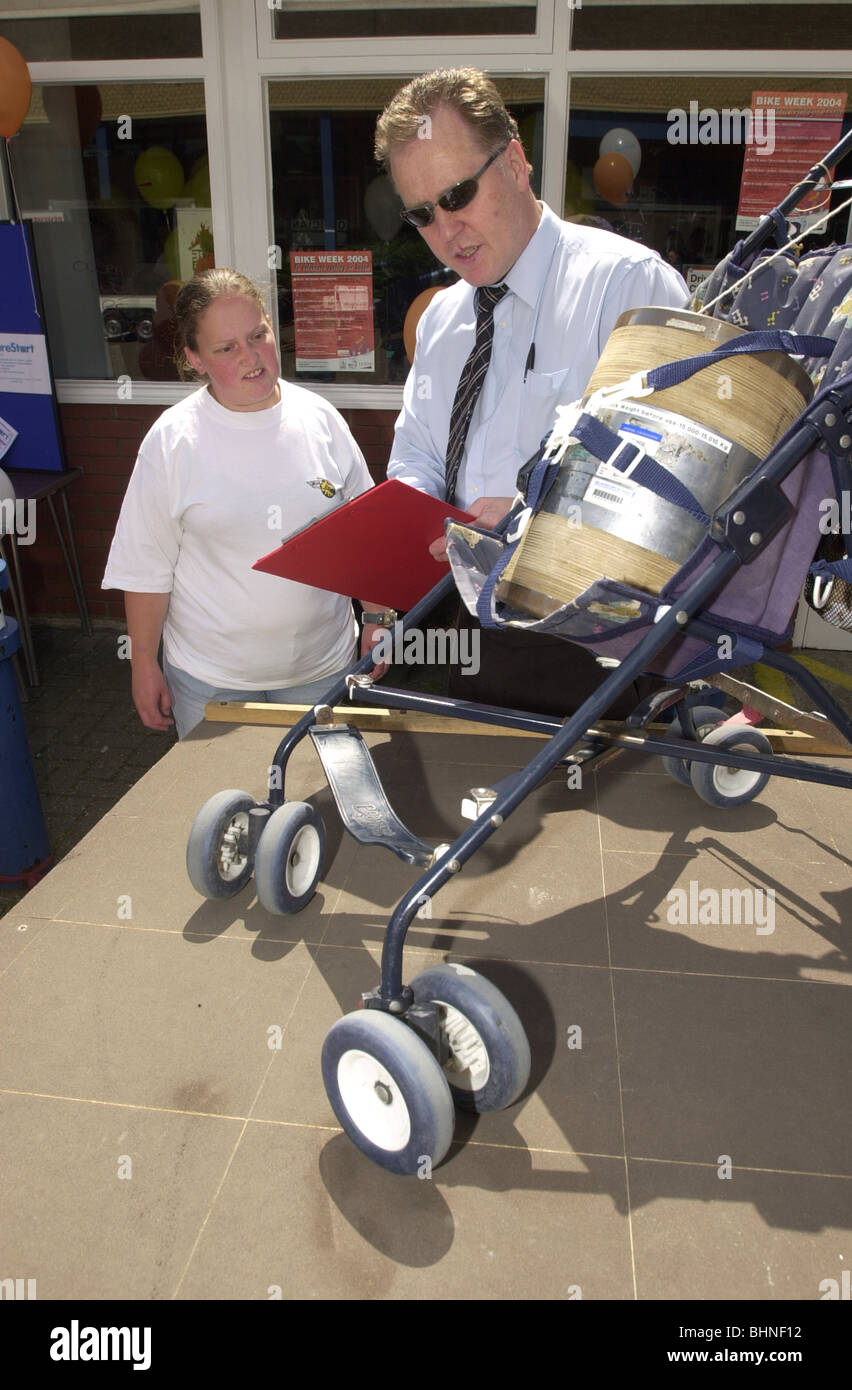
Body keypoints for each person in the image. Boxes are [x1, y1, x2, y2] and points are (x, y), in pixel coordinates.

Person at [375, 68, 689, 714]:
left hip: (591, 638)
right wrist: (399, 529)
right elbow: (417, 457)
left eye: (459, 194)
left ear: (515, 163)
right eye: (422, 214)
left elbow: (672, 481)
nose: (446, 230)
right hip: (465, 630)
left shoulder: (628, 286)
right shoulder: (440, 319)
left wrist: (531, 516)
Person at [103, 268, 392, 739]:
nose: (251, 356)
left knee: (310, 804)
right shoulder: (171, 441)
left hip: (320, 672)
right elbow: (146, 567)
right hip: (210, 684)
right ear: (194, 358)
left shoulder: (321, 419)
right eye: (226, 348)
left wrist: (378, 620)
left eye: (258, 334)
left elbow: (366, 534)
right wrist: (143, 664)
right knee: (223, 810)